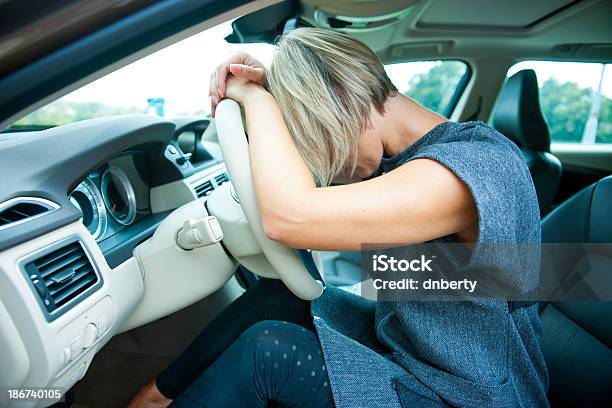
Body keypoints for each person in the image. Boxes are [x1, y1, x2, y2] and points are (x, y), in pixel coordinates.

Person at [128, 28, 548, 408]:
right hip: (414, 353)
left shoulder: (471, 167)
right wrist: (272, 82)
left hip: (469, 394)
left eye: (313, 132)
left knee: (270, 352)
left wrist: (256, 99)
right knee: (280, 297)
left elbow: (289, 217)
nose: (326, 165)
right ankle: (154, 397)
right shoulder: (406, 163)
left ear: (342, 98)